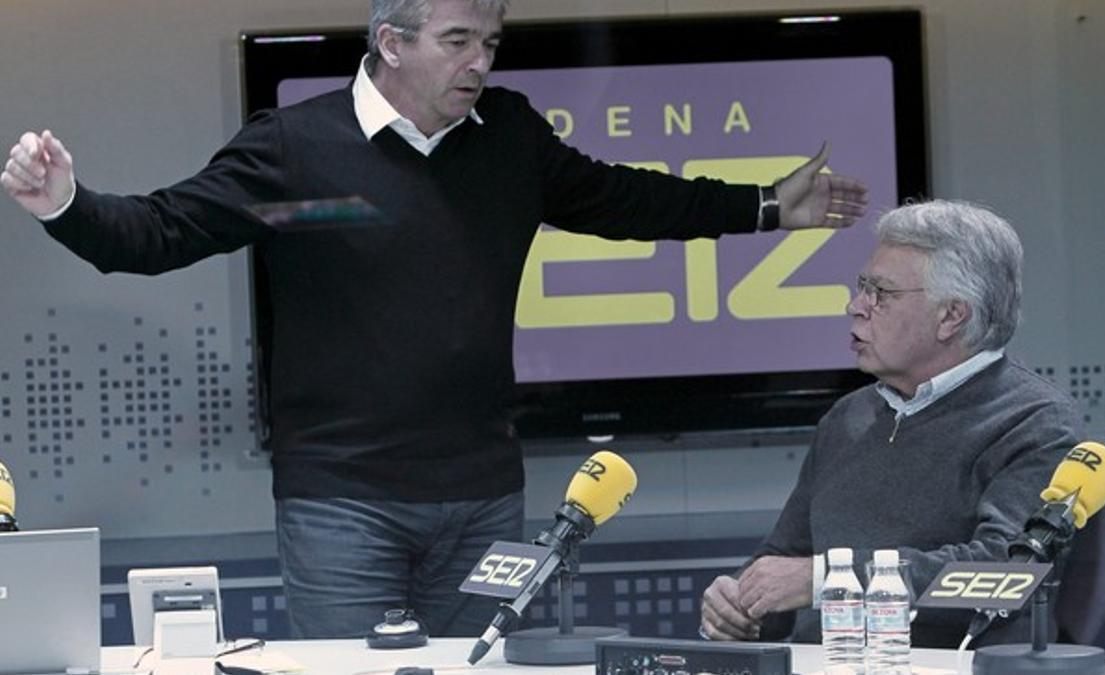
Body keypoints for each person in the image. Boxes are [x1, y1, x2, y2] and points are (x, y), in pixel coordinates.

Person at [2, 0, 869, 640]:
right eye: (458, 42)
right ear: (392, 43)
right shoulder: (292, 146)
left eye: (489, 43)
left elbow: (625, 197)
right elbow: (158, 232)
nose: (479, 63)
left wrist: (762, 205)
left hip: (482, 496)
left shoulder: (510, 135)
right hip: (341, 502)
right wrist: (65, 203)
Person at [700, 199, 1082, 648]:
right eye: (862, 287)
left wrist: (830, 581)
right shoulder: (849, 417)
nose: (855, 306)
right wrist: (741, 605)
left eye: (880, 293)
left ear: (951, 316)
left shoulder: (1034, 420)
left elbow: (1004, 569)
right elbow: (787, 556)